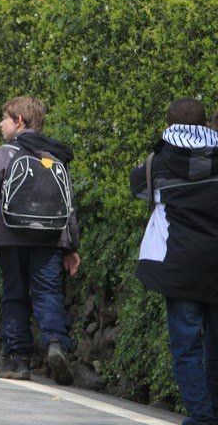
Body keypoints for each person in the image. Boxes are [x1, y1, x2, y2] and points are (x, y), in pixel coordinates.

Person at [0, 96, 80, 385]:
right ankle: (56, 343)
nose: (0, 123)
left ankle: (18, 359)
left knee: (15, 294)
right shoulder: (54, 155)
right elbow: (69, 204)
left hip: (10, 237)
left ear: (19, 121)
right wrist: (71, 246)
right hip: (50, 238)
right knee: (48, 293)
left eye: (5, 118)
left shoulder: (2, 155)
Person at [131, 98, 218, 425]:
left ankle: (201, 417)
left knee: (187, 347)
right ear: (206, 123)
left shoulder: (158, 163)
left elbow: (138, 189)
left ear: (169, 124)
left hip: (179, 266)